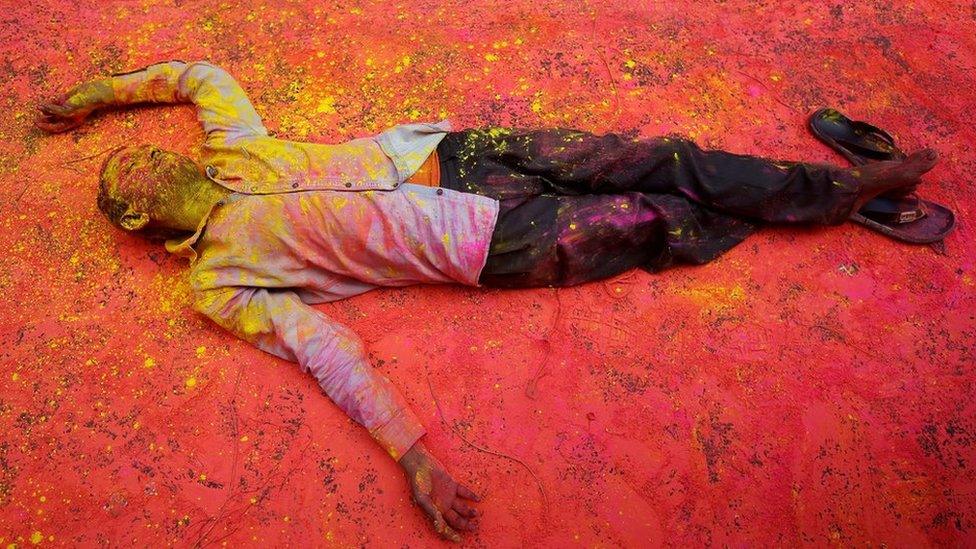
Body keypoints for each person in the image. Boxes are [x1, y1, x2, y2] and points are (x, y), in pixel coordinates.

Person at [36, 60, 937, 541]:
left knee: (660, 153)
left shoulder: (233, 149)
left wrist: (99, 98)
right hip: (481, 246)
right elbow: (322, 347)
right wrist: (413, 455)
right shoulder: (218, 282)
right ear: (141, 222)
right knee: (655, 221)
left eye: (143, 151)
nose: (150, 158)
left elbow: (200, 76)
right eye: (133, 176)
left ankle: (836, 193)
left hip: (462, 153)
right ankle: (841, 203)